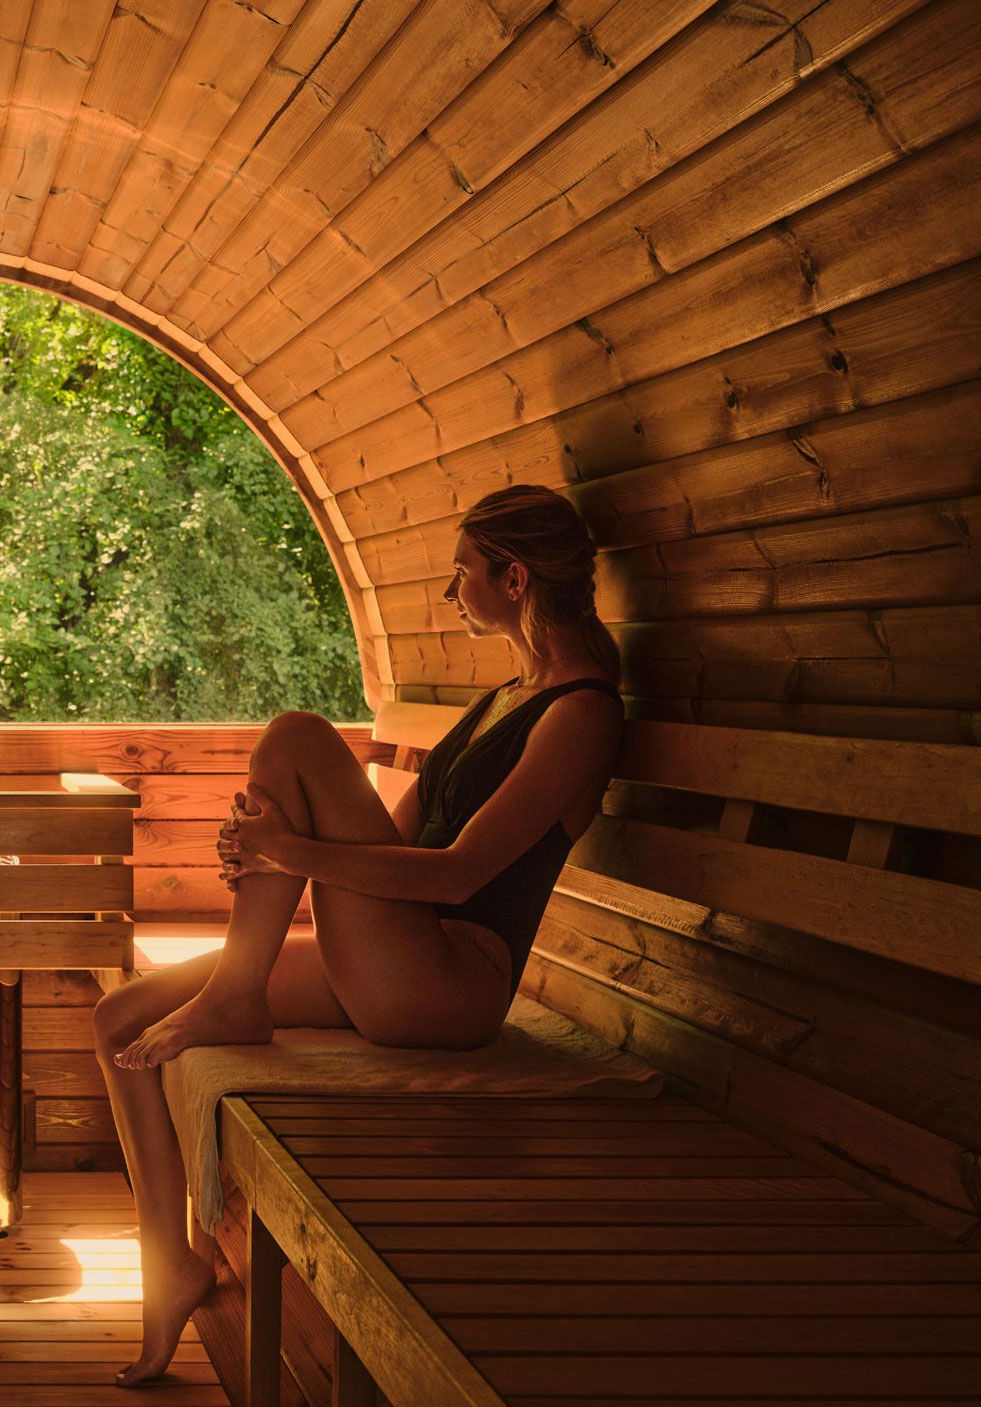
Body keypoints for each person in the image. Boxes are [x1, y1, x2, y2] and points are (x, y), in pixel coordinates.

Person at [87, 485, 626, 1387]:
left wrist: (286, 847)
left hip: (450, 983)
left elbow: (454, 873)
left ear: (516, 577)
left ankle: (234, 995)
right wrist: (264, 852)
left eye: (464, 573)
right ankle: (171, 1263)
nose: (454, 593)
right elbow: (393, 840)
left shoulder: (581, 715)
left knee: (296, 737)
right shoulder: (502, 697)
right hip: (396, 958)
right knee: (121, 1017)